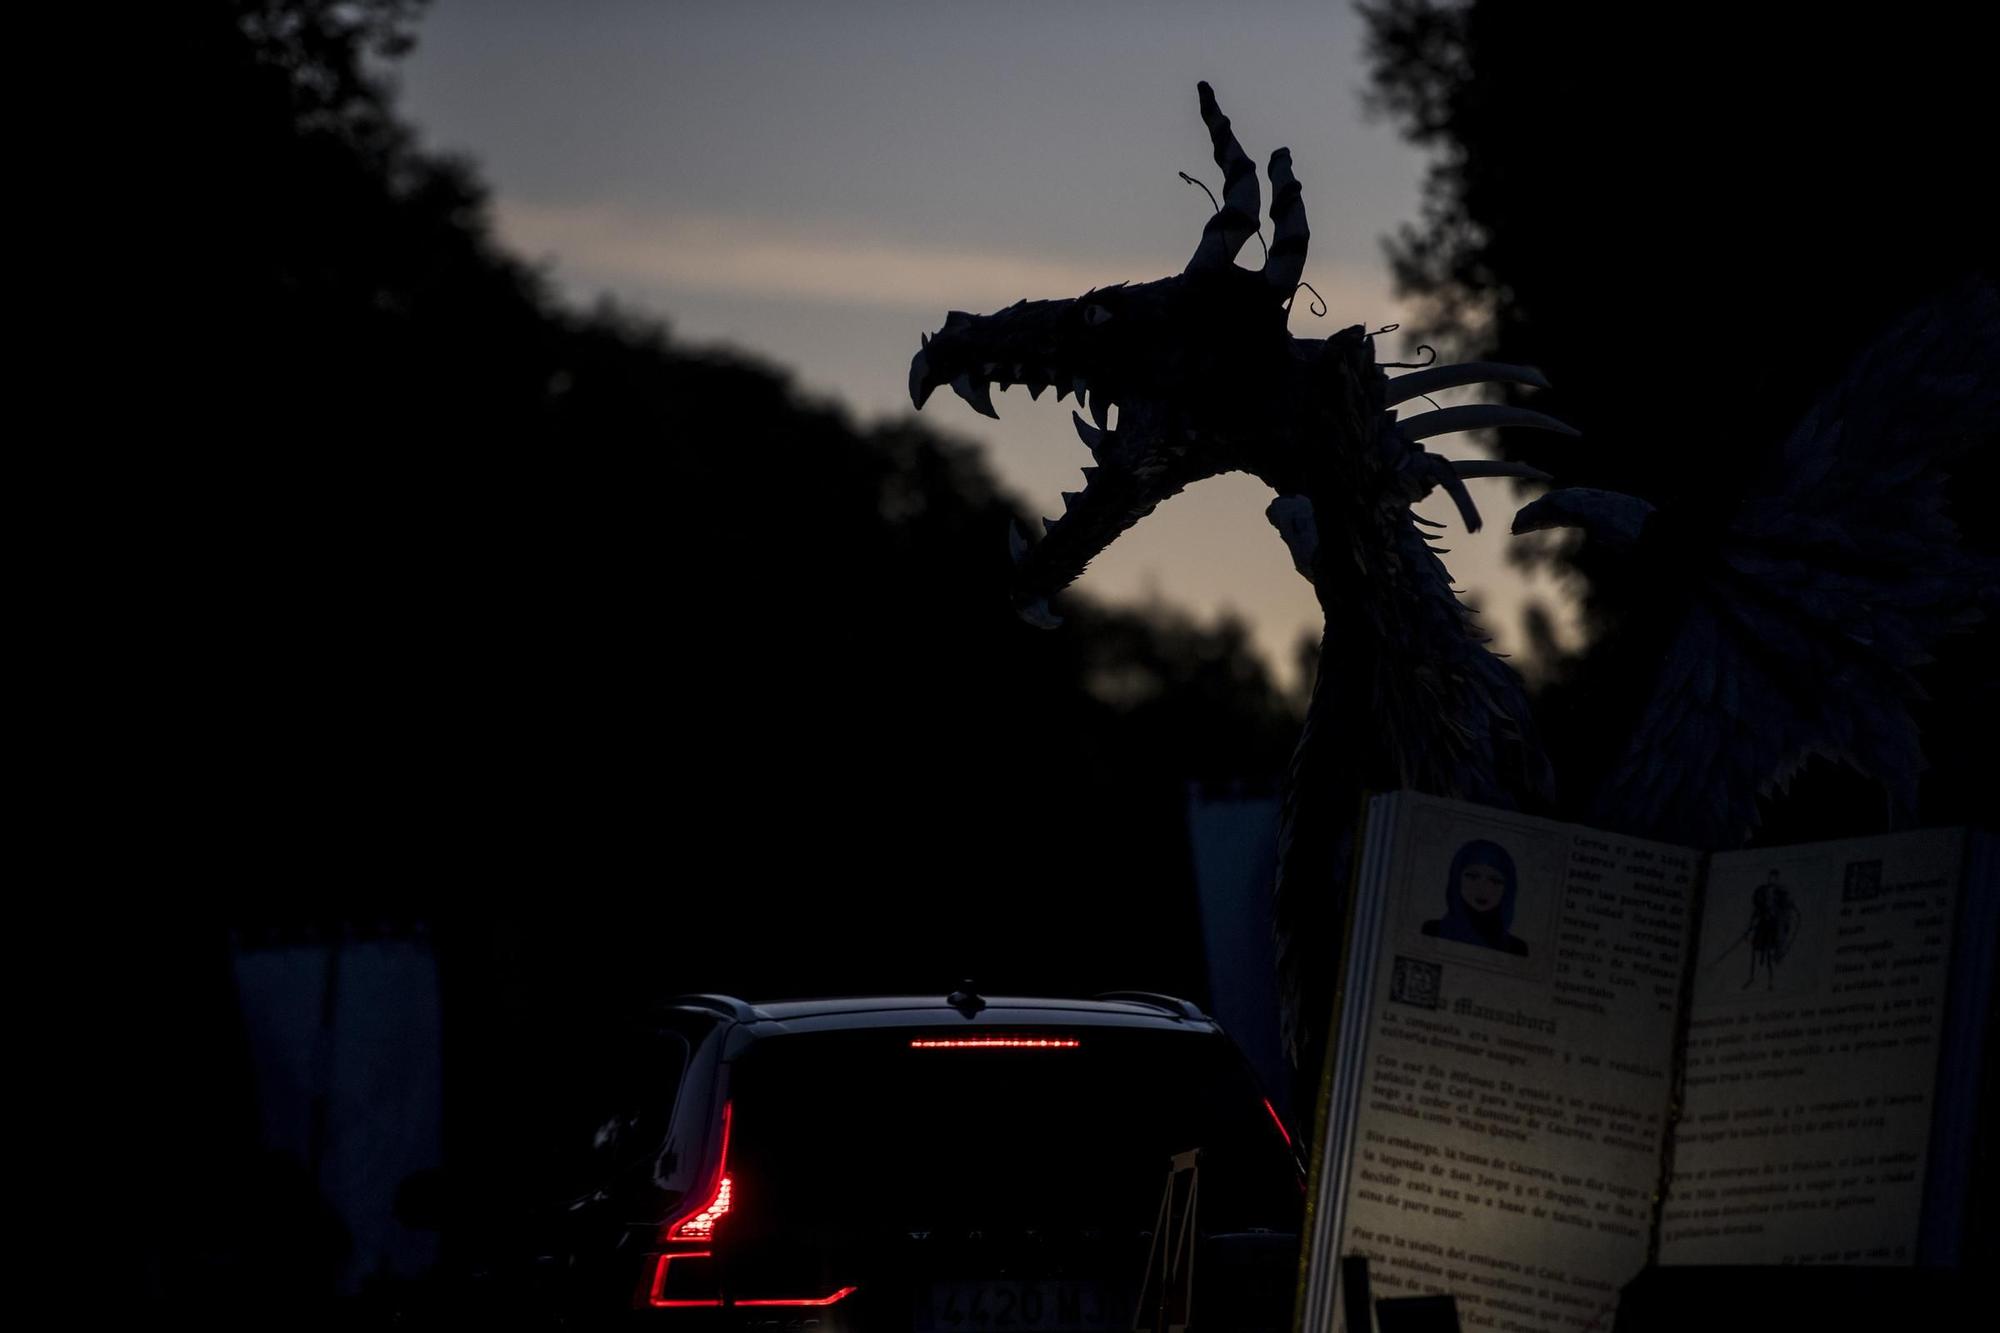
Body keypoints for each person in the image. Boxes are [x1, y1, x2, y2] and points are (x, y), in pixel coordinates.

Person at [1421, 840, 1529, 956]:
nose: (1483, 888)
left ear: (1508, 888)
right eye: (1472, 876)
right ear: (1457, 879)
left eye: (1495, 881)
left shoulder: (1516, 949)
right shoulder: (1432, 931)